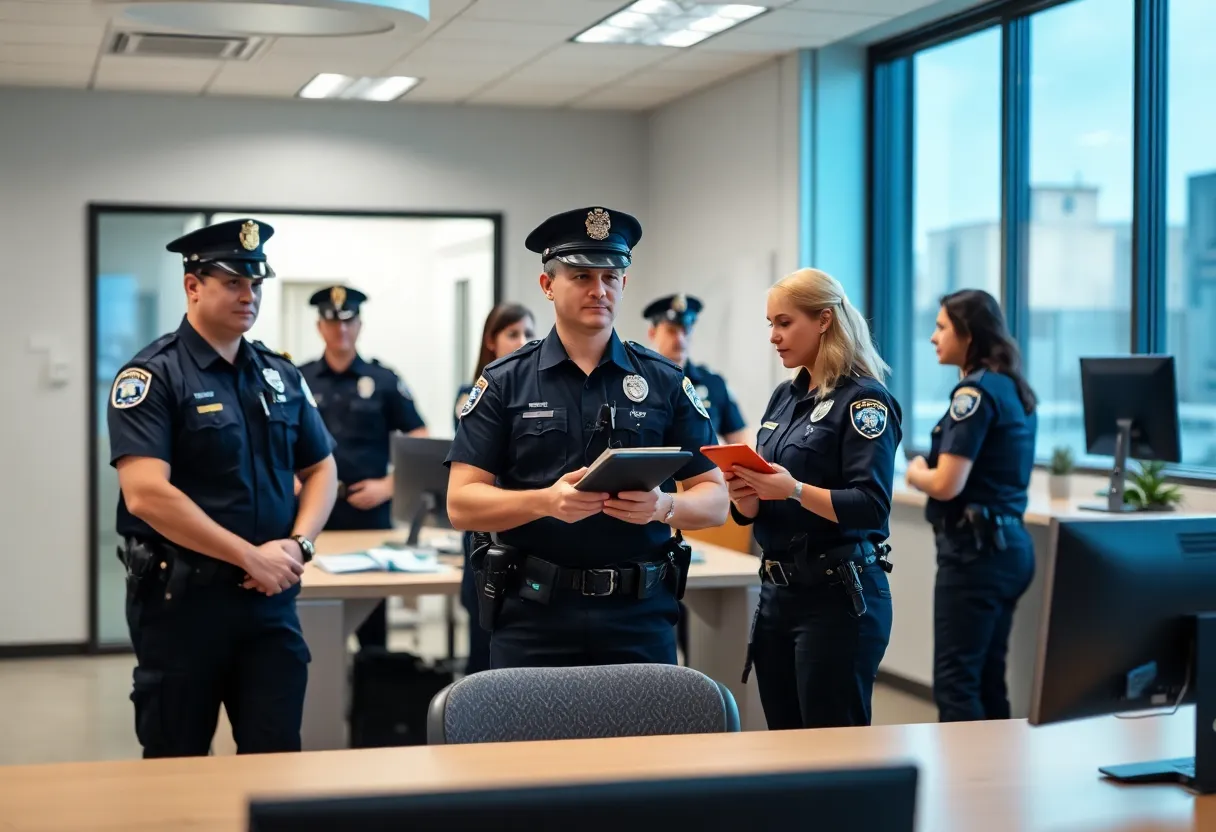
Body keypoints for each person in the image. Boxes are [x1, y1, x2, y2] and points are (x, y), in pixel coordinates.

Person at [444, 206, 729, 668]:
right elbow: (461, 504)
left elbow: (715, 500)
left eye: (610, 276)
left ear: (623, 284)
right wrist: (545, 501)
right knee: (531, 741)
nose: (598, 290)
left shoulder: (663, 380)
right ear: (548, 285)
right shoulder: (504, 382)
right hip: (533, 617)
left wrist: (664, 507)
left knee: (646, 742)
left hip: (639, 616)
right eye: (580, 276)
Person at [108, 218, 337, 757]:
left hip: (271, 603)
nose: (249, 295)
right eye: (234, 282)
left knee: (275, 756)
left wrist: (298, 545)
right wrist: (247, 557)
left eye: (256, 284)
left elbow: (322, 467)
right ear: (193, 286)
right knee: (176, 761)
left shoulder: (278, 375)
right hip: (183, 604)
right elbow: (146, 494)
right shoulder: (153, 376)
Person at [726, 267, 900, 730]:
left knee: (832, 747)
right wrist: (744, 496)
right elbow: (760, 505)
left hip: (836, 596)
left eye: (784, 323)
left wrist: (795, 490)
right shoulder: (785, 396)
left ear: (823, 320)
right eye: (770, 325)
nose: (774, 337)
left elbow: (872, 505)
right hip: (778, 594)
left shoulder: (865, 401)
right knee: (784, 740)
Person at [904, 288, 1037, 723]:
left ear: (968, 334)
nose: (932, 337)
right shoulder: (1012, 386)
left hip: (975, 554)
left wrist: (916, 471)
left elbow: (945, 483)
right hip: (1009, 547)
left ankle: (965, 785)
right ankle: (996, 781)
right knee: (987, 676)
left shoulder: (973, 393)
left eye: (941, 327)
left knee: (956, 681)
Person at [298, 285, 428, 651]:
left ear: (359, 325)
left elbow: (419, 436)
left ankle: (370, 703)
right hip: (312, 513)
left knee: (372, 630)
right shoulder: (299, 378)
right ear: (320, 327)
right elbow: (279, 439)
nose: (341, 329)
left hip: (369, 512)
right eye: (331, 322)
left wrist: (390, 485)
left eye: (348, 321)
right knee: (311, 622)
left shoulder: (384, 380)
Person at [453, 301, 535, 674]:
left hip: (529, 536)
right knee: (483, 647)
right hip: (488, 535)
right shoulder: (475, 396)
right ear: (491, 341)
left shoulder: (541, 390)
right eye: (513, 333)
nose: (522, 341)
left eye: (529, 334)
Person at [643, 293, 749, 444]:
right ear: (652, 334)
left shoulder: (712, 382)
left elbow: (741, 441)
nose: (680, 339)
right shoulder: (639, 382)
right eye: (671, 331)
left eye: (685, 330)